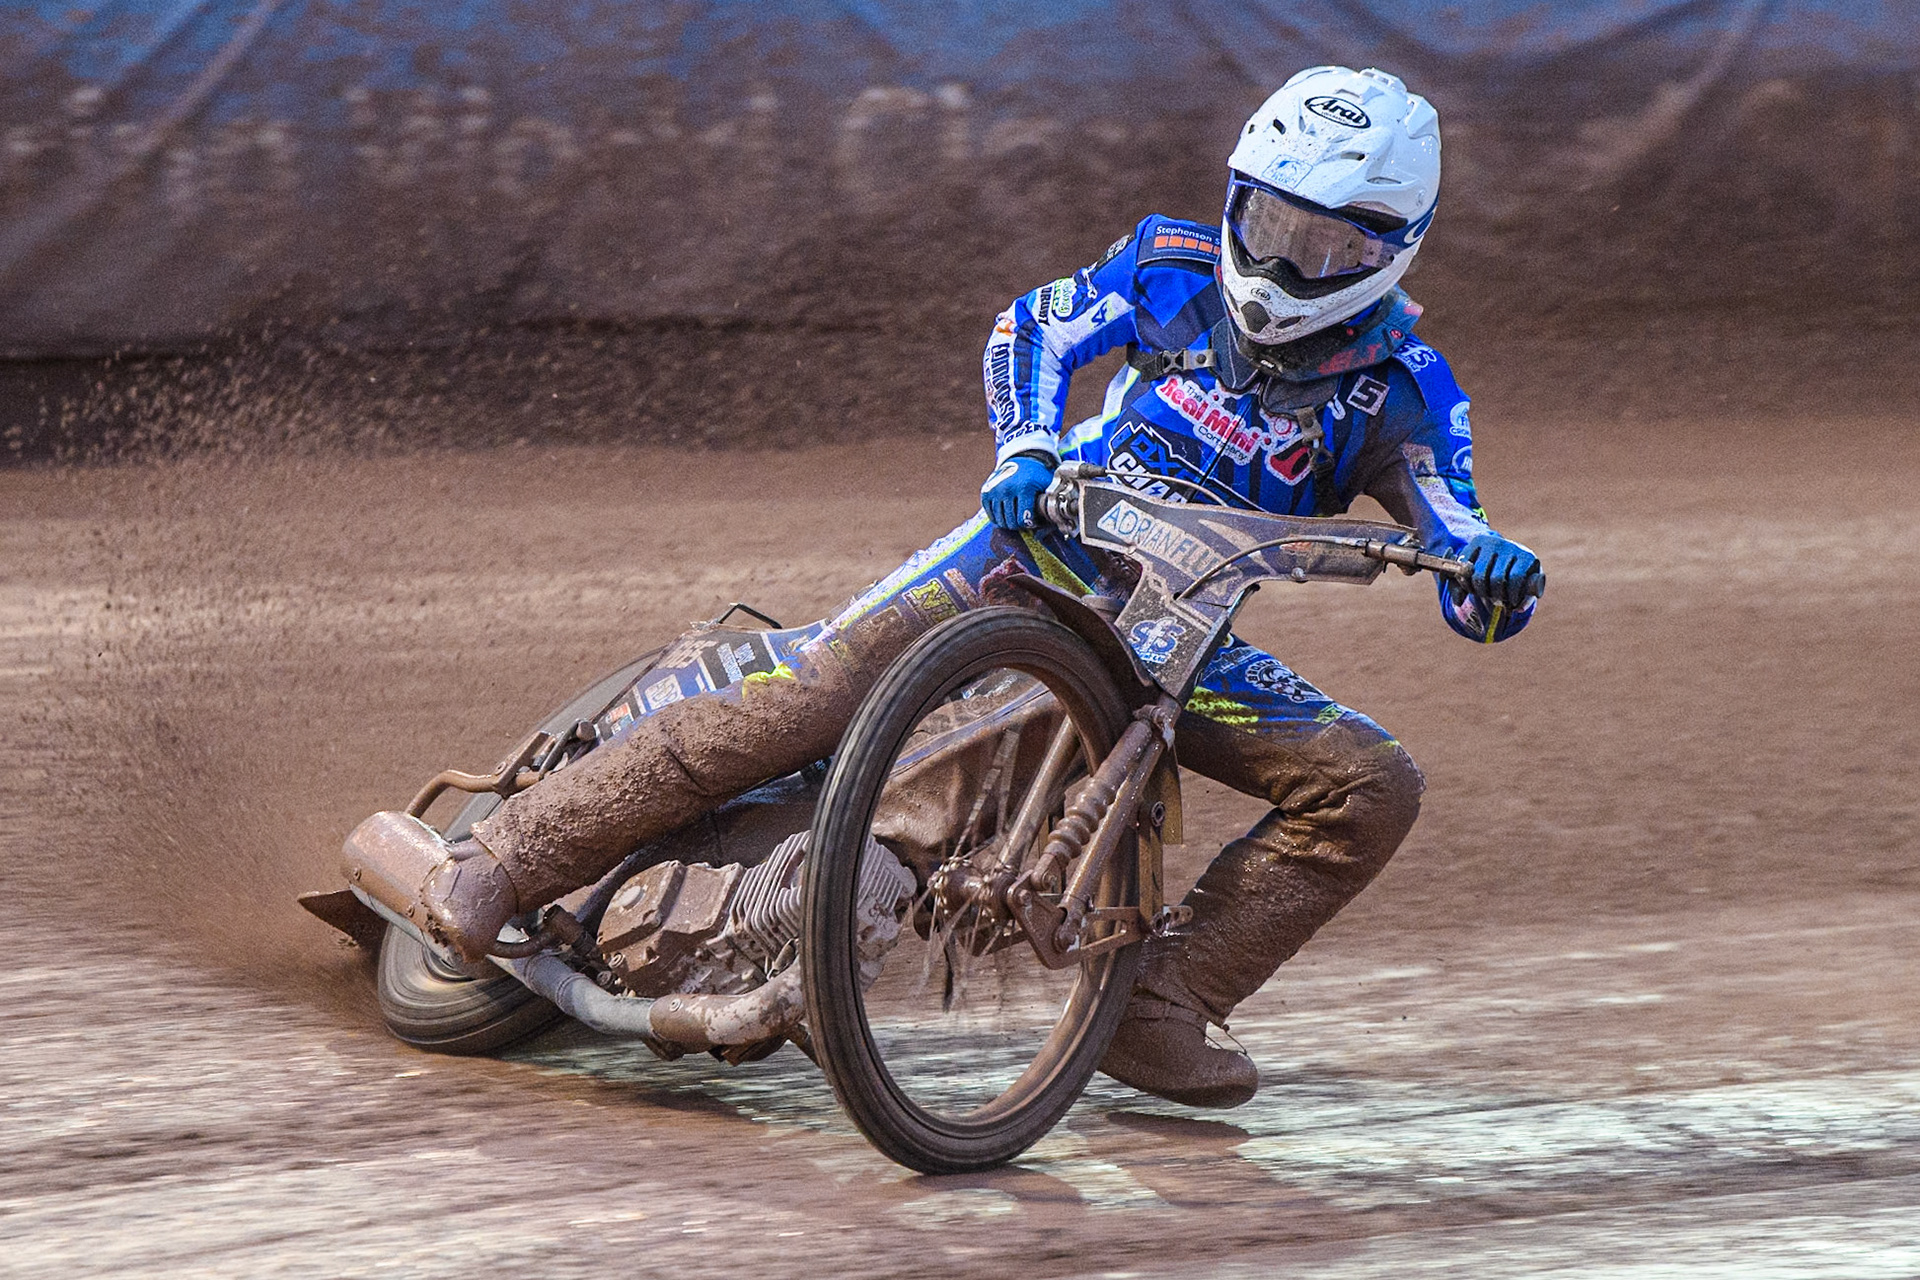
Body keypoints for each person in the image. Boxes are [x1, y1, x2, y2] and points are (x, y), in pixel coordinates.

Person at [398, 65, 1542, 1109]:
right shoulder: (1169, 264)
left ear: (1396, 247)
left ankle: (1159, 1001)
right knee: (807, 694)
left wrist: (1492, 575)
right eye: (1269, 222)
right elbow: (1033, 326)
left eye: (1327, 248)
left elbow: (1455, 537)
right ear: (1236, 199)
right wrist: (1027, 448)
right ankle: (506, 856)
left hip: (1176, 643)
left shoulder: (1408, 390)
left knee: (1370, 783)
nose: (1285, 265)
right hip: (1022, 554)